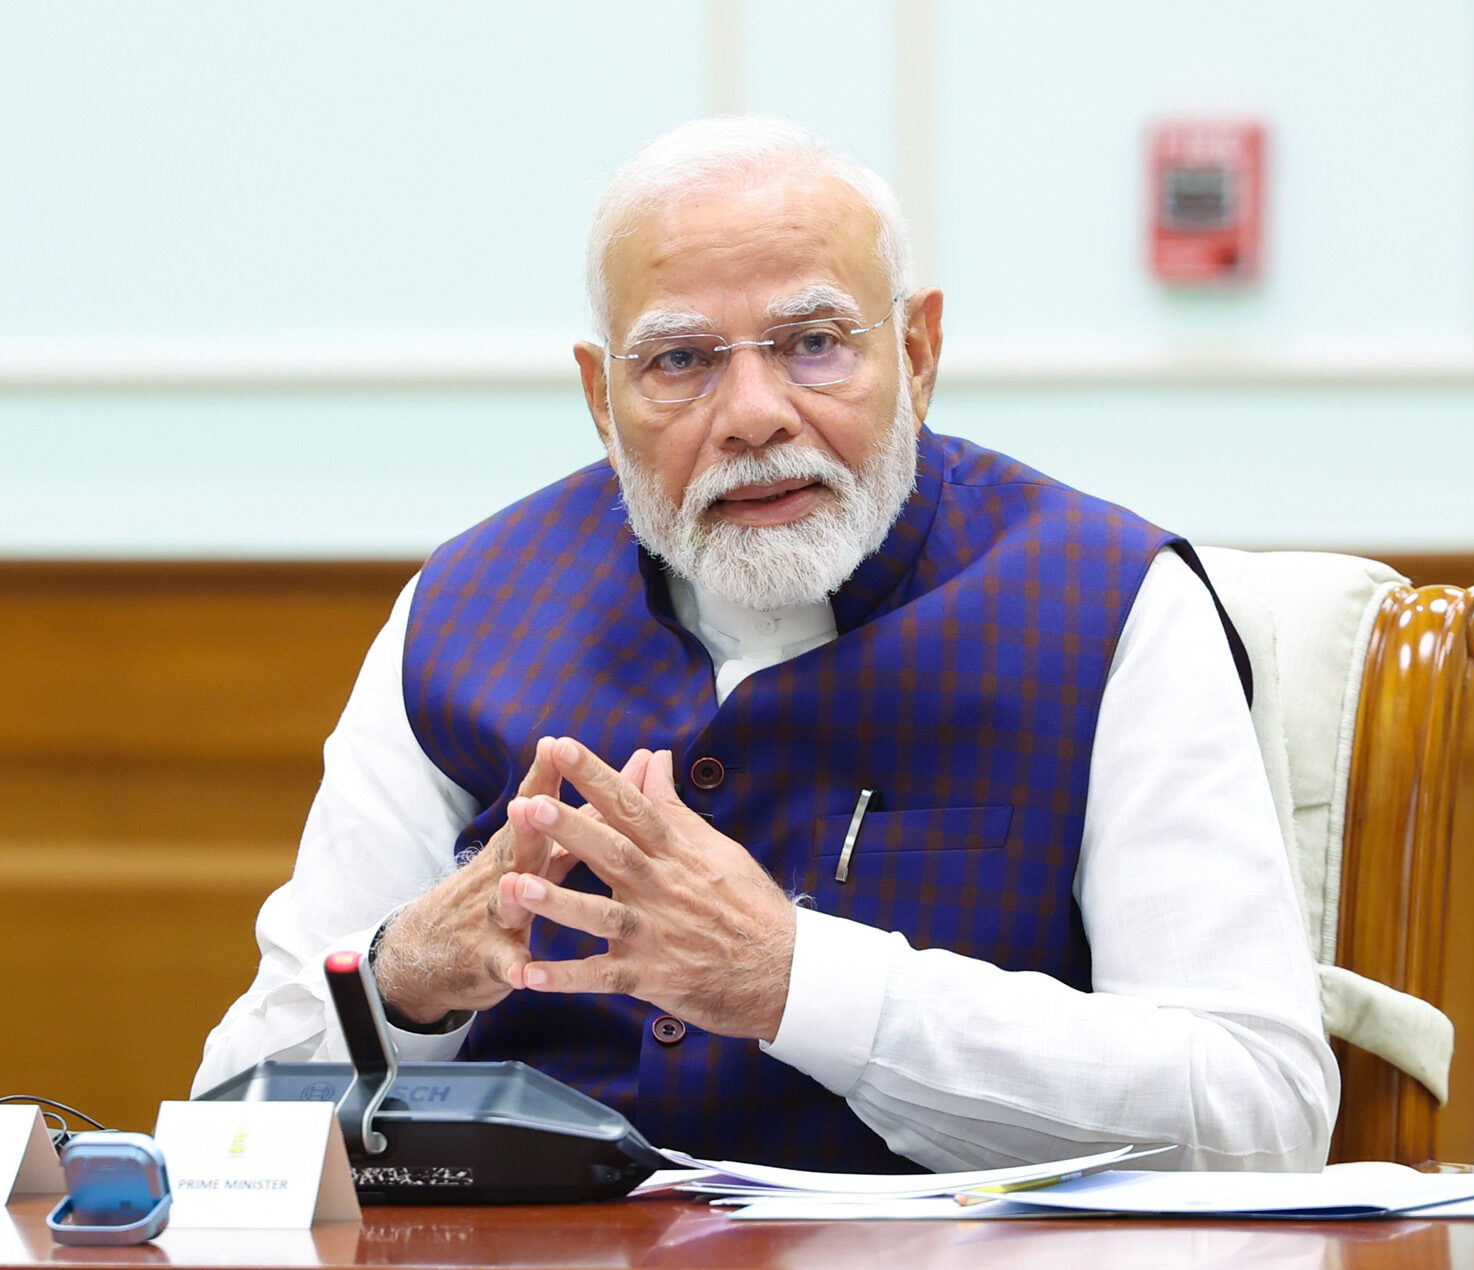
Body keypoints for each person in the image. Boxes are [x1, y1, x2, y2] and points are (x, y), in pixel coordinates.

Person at [195, 116, 1338, 1172]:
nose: (752, 412)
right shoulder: (461, 610)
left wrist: (801, 982)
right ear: (603, 399)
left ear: (920, 350)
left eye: (814, 344)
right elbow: (230, 1123)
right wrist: (401, 981)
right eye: (680, 361)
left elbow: (1259, 1107)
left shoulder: (1111, 605)